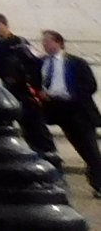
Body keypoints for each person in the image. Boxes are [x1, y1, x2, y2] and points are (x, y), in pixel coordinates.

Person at [40, 32, 101, 198]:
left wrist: (72, 95)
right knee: (78, 146)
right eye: (43, 42)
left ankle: (98, 183)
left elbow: (90, 85)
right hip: (57, 110)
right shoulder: (43, 63)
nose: (44, 45)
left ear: (59, 43)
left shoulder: (75, 62)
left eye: (47, 41)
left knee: (90, 149)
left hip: (78, 110)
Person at [0, 14, 59, 158]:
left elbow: (34, 60)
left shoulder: (20, 41)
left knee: (36, 122)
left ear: (5, 25)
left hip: (27, 89)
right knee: (21, 122)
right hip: (10, 87)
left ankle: (49, 153)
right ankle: (34, 152)